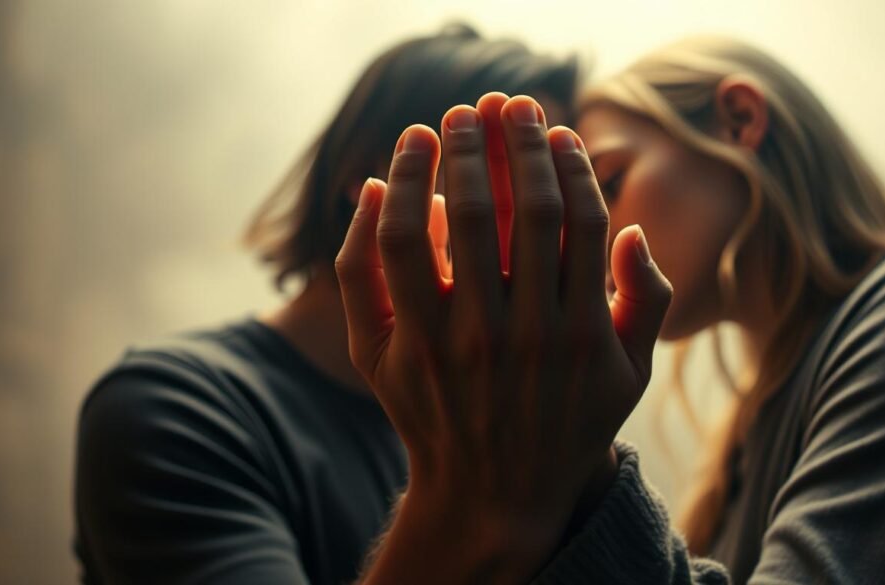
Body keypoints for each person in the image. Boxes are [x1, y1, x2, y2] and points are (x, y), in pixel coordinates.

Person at [335, 36, 885, 584]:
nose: (583, 227)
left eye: (606, 179)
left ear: (739, 119)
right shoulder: (747, 441)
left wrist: (570, 463)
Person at [72, 24, 578, 584]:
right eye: (509, 171)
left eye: (563, 183)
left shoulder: (514, 427)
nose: (545, 215)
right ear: (365, 171)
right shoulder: (175, 411)